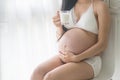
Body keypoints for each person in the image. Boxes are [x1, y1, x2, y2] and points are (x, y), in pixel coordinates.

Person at [31, 0, 111, 80]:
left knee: (50, 78)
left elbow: (102, 45)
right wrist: (59, 26)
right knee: (37, 73)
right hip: (66, 57)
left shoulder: (99, 6)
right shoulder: (70, 5)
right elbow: (61, 37)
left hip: (87, 61)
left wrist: (76, 58)